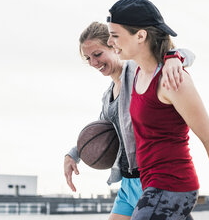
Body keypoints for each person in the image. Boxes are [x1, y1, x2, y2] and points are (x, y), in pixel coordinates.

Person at [106, 0, 209, 220]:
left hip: (173, 186)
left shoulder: (172, 81)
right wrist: (176, 55)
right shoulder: (135, 73)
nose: (110, 41)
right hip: (153, 186)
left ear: (141, 35)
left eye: (115, 35)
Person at [64, 22, 195, 220]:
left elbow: (188, 54)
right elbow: (101, 130)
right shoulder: (107, 95)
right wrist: (73, 154)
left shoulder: (137, 72)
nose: (93, 62)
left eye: (97, 54)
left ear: (113, 46)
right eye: (88, 58)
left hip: (153, 179)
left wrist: (174, 58)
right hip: (128, 182)